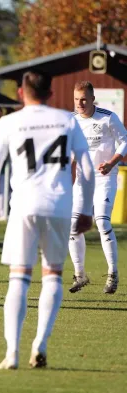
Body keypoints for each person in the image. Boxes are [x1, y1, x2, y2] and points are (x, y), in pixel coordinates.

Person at [0, 70, 95, 370]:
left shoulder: (9, 122)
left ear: (20, 93)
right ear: (52, 94)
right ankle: (39, 344)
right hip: (59, 207)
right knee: (52, 276)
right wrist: (87, 211)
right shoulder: (67, 121)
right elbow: (88, 169)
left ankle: (12, 352)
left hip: (24, 206)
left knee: (19, 278)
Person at [68, 81, 127, 294]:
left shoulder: (108, 118)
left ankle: (112, 274)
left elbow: (124, 141)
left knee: (102, 221)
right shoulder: (71, 121)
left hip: (105, 178)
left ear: (93, 99)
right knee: (74, 227)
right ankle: (80, 274)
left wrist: (112, 162)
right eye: (76, 99)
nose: (80, 103)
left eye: (84, 99)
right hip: (83, 180)